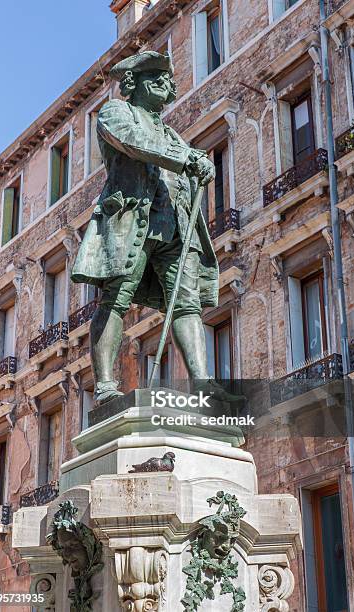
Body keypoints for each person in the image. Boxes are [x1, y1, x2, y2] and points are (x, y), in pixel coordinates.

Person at [72, 51, 229, 405]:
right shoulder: (116, 113)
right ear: (133, 83)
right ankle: (106, 387)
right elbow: (134, 143)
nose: (164, 81)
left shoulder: (172, 133)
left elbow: (182, 169)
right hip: (131, 222)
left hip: (174, 226)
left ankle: (201, 383)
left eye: (166, 76)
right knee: (115, 300)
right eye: (153, 74)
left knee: (187, 304)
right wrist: (188, 158)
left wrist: (201, 169)